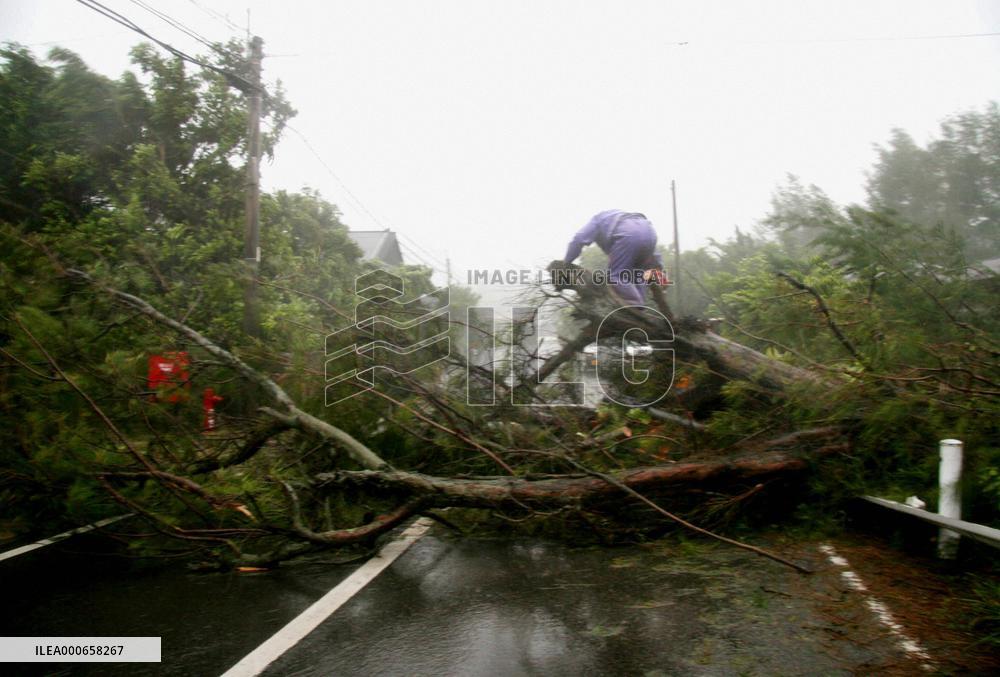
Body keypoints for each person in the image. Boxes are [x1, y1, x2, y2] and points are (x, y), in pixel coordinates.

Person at [563, 209, 667, 305]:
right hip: (649, 231)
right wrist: (659, 267)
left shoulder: (597, 220)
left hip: (628, 235)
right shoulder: (616, 216)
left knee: (615, 276)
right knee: (636, 275)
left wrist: (566, 262)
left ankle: (636, 304)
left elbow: (578, 239)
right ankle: (640, 309)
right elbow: (643, 239)